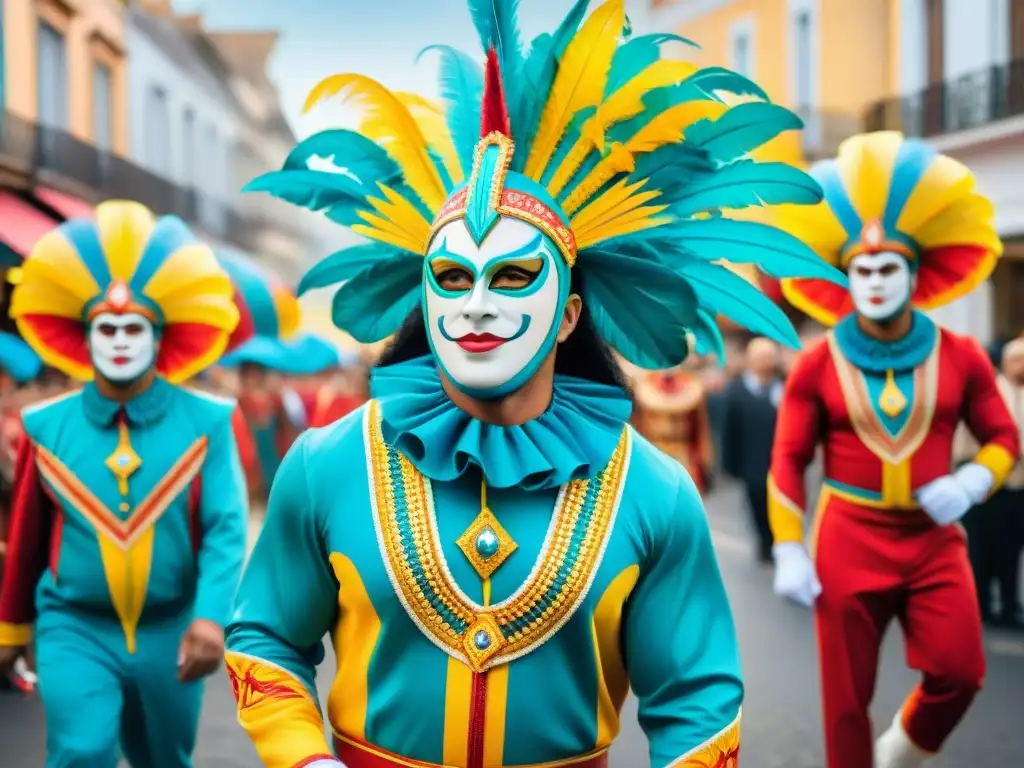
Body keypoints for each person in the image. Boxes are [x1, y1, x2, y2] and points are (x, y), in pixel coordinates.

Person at [223, 2, 844, 766]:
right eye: (451, 277)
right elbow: (265, 635)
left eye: (513, 276)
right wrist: (302, 758)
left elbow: (697, 701)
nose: (477, 301)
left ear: (567, 314)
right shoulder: (327, 464)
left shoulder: (652, 490)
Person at [766, 131, 1019, 768]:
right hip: (848, 536)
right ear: (845, 277)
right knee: (844, 702)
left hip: (935, 541)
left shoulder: (960, 355)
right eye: (863, 269)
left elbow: (1004, 438)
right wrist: (788, 545)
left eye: (888, 267)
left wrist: (972, 483)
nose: (875, 281)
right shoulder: (815, 363)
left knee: (961, 672)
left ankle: (904, 749)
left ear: (915, 272)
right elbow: (789, 459)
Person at [0, 201, 248, 767]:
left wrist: (211, 616)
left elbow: (225, 528)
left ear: (159, 337)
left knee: (164, 758)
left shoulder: (207, 422)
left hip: (173, 631)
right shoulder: (44, 426)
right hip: (74, 627)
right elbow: (28, 538)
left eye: (133, 327)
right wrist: (11, 628)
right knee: (81, 750)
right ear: (83, 336)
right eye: (105, 327)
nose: (118, 339)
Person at [958, 337, 1024, 630]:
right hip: (986, 485)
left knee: (1011, 551)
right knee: (981, 550)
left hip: (1017, 489)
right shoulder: (990, 392)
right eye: (1016, 360)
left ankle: (1009, 605)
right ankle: (980, 604)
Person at [721, 337, 784, 563]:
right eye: (760, 357)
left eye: (769, 356)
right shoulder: (737, 391)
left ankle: (779, 543)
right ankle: (765, 542)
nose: (766, 362)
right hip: (752, 461)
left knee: (780, 503)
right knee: (758, 503)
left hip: (780, 460)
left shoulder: (783, 387)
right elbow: (729, 430)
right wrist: (730, 464)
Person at [629, 361, 715, 494]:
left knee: (683, 495)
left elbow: (699, 428)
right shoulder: (644, 386)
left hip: (682, 451)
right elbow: (637, 424)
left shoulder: (691, 387)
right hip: (653, 449)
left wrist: (702, 458)